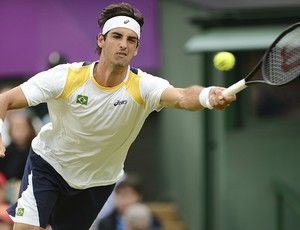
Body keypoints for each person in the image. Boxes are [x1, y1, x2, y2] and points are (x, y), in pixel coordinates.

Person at [0, 2, 236, 230]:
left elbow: (183, 96)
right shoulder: (65, 77)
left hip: (97, 181)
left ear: (136, 48)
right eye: (117, 36)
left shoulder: (144, 86)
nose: (123, 44)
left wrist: (207, 96)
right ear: (101, 40)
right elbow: (5, 100)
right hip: (48, 165)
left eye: (131, 40)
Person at [0, 110, 36, 180]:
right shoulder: (5, 152)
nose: (19, 131)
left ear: (30, 128)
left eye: (22, 127)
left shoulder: (36, 151)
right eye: (16, 127)